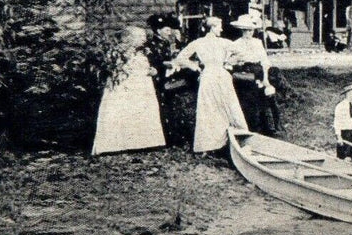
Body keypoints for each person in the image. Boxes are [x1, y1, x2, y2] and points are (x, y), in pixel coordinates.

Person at [172, 16, 248, 154]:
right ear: (212, 28)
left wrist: (196, 67)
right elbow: (242, 53)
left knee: (210, 108)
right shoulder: (224, 42)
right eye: (219, 26)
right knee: (227, 105)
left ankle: (211, 144)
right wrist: (228, 62)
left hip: (208, 75)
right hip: (220, 74)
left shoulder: (198, 43)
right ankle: (232, 139)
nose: (221, 29)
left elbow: (180, 58)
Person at [92, 26, 167, 155]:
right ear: (129, 38)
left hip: (142, 87)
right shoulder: (118, 53)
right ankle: (116, 144)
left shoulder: (143, 52)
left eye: (144, 37)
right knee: (122, 112)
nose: (144, 39)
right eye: (140, 37)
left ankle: (142, 143)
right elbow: (115, 71)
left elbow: (146, 67)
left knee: (141, 112)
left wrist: (152, 71)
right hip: (125, 88)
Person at [144, 13, 191, 147]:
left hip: (170, 76)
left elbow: (179, 53)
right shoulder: (151, 44)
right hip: (159, 77)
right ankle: (164, 137)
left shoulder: (170, 42)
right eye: (166, 30)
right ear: (158, 31)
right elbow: (153, 61)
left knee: (172, 106)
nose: (169, 32)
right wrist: (166, 64)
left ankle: (174, 135)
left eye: (170, 30)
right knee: (162, 106)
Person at [228, 13, 279, 135]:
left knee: (264, 98)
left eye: (251, 30)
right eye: (246, 30)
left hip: (258, 71)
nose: (249, 33)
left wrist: (265, 78)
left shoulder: (257, 43)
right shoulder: (235, 44)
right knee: (247, 101)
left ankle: (267, 128)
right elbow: (228, 61)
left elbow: (264, 61)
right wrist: (237, 61)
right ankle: (249, 128)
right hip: (244, 75)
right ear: (242, 30)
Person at [333, 82, 352, 161]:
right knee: (344, 157)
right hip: (345, 134)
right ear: (349, 93)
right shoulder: (340, 106)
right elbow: (337, 123)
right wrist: (339, 137)